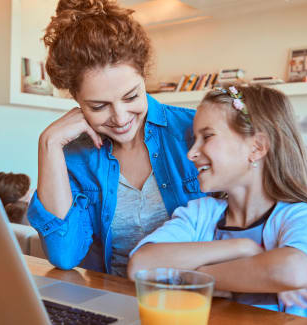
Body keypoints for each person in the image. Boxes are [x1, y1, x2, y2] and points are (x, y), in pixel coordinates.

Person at [128, 85, 307, 320]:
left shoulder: (301, 217)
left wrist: (198, 276)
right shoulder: (201, 214)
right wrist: (241, 247)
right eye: (195, 139)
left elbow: (293, 270)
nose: (191, 153)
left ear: (256, 147)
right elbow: (140, 265)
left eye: (207, 136)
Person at [27, 0, 204, 276]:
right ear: (76, 99)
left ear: (144, 76)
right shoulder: (74, 155)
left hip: (194, 300)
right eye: (98, 106)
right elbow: (64, 254)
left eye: (131, 96)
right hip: (114, 300)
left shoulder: (195, 129)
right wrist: (48, 144)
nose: (120, 118)